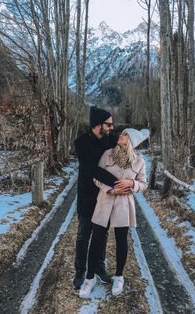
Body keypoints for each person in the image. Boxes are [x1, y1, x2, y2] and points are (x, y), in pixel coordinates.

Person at [79, 128, 149, 298]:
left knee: (121, 241)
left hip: (124, 205)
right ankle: (89, 279)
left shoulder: (139, 160)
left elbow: (143, 184)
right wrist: (110, 190)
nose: (121, 135)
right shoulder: (107, 154)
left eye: (125, 135)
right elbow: (96, 177)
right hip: (105, 201)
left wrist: (131, 183)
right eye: (122, 133)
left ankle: (119, 276)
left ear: (131, 140)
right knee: (96, 241)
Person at [73, 106, 131, 289]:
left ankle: (99, 267)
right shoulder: (81, 143)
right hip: (87, 193)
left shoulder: (111, 139)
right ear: (98, 125)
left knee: (102, 233)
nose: (112, 128)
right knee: (83, 235)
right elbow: (93, 170)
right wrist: (118, 183)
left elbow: (128, 145)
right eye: (109, 124)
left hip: (106, 197)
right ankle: (80, 271)